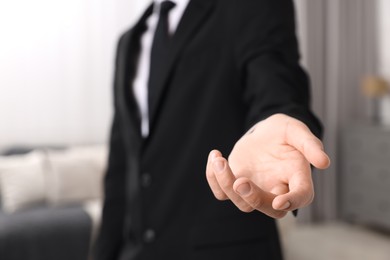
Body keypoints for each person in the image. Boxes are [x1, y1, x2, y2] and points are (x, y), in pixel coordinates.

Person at [94, 0, 330, 259]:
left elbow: (276, 85)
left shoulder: (251, 7)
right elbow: (121, 165)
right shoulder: (128, 42)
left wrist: (279, 118)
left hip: (222, 249)